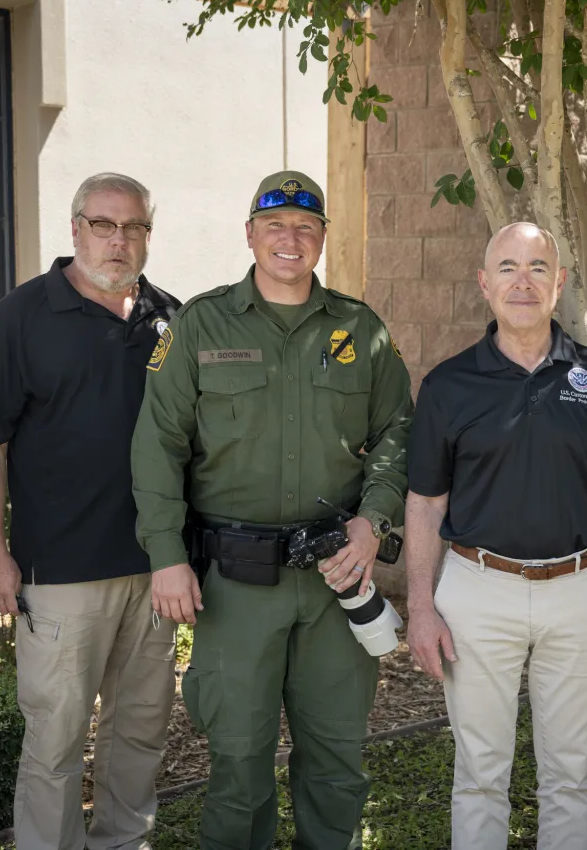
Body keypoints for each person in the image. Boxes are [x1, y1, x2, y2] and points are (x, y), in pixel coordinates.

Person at [130, 170, 412, 850]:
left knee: (337, 762)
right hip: (237, 585)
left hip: (335, 583)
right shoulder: (200, 324)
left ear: (321, 240)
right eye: (276, 225)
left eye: (306, 227)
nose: (291, 239)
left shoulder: (358, 328)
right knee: (237, 765)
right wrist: (166, 556)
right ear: (250, 233)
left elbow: (399, 431)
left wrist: (373, 521)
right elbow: (157, 445)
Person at [403, 222, 587, 849]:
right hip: (477, 590)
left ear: (559, 283)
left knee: (572, 778)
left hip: (582, 591)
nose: (523, 281)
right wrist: (419, 605)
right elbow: (426, 502)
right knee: (480, 776)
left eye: (538, 268)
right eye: (508, 268)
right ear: (485, 285)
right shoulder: (448, 385)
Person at [0, 173, 180, 850]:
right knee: (55, 738)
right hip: (58, 569)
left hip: (154, 569)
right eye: (103, 225)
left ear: (147, 234)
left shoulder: (172, 317)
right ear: (75, 228)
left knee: (138, 730)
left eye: (133, 227)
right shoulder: (22, 315)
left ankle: (123, 841)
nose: (118, 240)